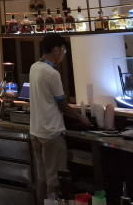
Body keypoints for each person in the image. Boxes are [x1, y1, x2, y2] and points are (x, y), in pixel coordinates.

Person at [29, 34, 91, 202]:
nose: (63, 55)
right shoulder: (52, 73)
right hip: (51, 133)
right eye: (64, 51)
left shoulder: (34, 67)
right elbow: (62, 105)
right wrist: (81, 118)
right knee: (55, 181)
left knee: (42, 179)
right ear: (56, 50)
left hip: (36, 131)